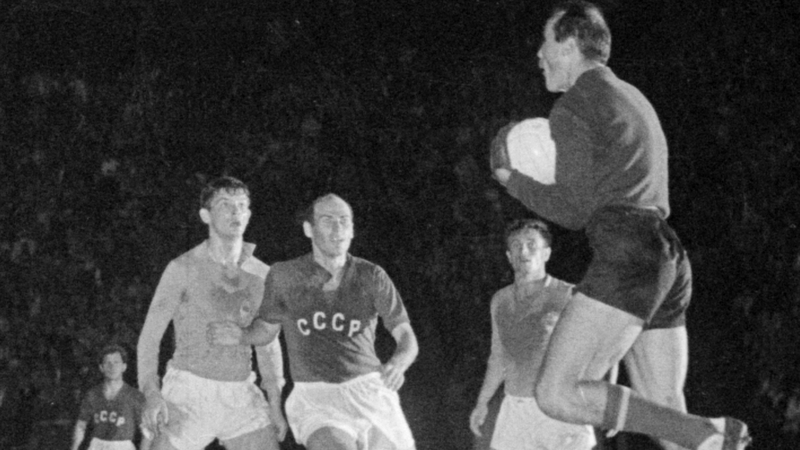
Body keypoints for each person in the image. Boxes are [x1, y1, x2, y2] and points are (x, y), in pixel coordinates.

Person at [490, 2, 751, 449]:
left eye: (546, 41)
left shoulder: (573, 106)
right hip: (668, 256)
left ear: (570, 44)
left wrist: (512, 180)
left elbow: (574, 209)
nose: (538, 54)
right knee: (664, 406)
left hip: (628, 252)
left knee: (556, 393)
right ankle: (701, 435)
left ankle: (706, 430)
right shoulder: (632, 96)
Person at [208, 193, 419, 450]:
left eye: (344, 220)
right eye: (328, 220)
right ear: (309, 229)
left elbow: (406, 337)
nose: (337, 228)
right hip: (317, 397)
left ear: (352, 229)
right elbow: (266, 330)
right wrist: (241, 336)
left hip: (370, 390)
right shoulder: (284, 276)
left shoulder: (371, 275)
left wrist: (398, 363)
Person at [136, 176, 287, 450]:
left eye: (242, 205)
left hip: (240, 392)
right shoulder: (182, 268)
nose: (235, 211)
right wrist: (152, 393)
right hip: (188, 392)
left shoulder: (263, 275)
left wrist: (275, 403)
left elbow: (268, 342)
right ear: (206, 215)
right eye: (225, 204)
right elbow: (149, 338)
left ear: (249, 214)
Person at [469, 219, 595, 450]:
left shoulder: (568, 294)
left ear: (546, 253)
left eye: (531, 244)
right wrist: (482, 403)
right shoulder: (500, 300)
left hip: (557, 407)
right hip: (516, 408)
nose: (523, 251)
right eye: (516, 246)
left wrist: (603, 403)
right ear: (509, 256)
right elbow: (498, 357)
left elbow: (598, 348)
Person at [71, 344, 151, 450]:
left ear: (124, 366)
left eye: (116, 362)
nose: (112, 367)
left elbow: (147, 432)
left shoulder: (134, 396)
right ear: (101, 367)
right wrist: (74, 447)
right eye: (107, 362)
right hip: (97, 445)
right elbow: (81, 425)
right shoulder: (93, 394)